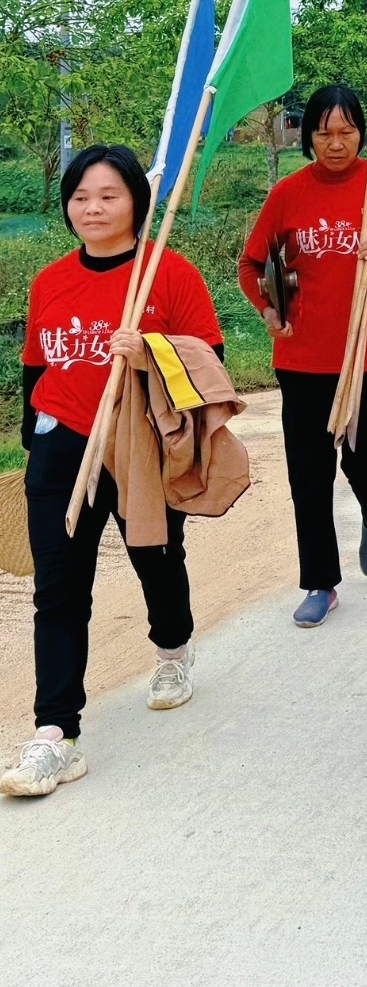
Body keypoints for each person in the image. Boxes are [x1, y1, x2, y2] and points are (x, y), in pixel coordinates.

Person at [1, 145, 223, 799]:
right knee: (58, 590)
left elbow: (209, 358)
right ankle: (55, 734)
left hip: (139, 442)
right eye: (80, 196)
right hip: (62, 444)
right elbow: (36, 366)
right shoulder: (49, 280)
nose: (92, 208)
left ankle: (173, 648)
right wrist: (35, 443)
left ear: (136, 202)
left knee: (154, 554)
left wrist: (151, 349)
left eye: (108, 195)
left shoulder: (167, 274)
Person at [238, 85, 367, 628]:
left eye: (346, 132)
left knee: (366, 461)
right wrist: (267, 310)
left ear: (362, 133)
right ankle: (320, 581)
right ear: (308, 137)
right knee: (308, 475)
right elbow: (251, 265)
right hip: (302, 358)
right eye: (324, 133)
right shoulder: (288, 194)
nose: (336, 143)